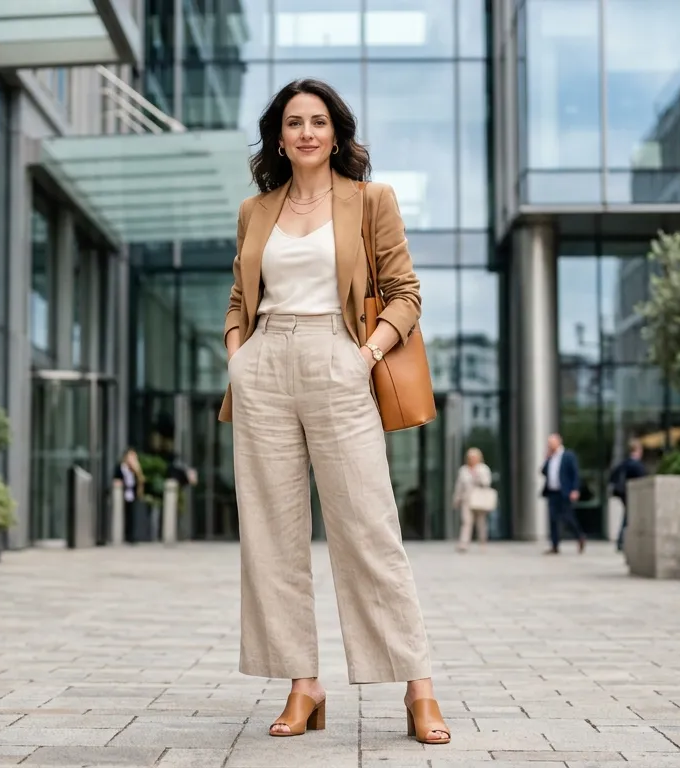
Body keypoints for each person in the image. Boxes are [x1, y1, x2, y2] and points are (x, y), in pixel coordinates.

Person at [218, 78, 449, 745]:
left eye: (319, 121)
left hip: (340, 359)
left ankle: (419, 688)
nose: (307, 133)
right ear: (279, 137)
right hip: (264, 367)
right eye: (294, 123)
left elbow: (405, 294)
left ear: (337, 133)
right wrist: (240, 354)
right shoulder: (255, 210)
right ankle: (303, 684)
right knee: (272, 538)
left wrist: (364, 355)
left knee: (369, 531)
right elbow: (239, 298)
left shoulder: (370, 201)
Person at [541, 433, 586, 554]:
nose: (549, 445)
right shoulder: (550, 458)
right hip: (552, 492)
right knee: (553, 519)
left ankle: (579, 536)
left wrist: (575, 489)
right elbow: (543, 472)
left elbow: (575, 473)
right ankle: (555, 545)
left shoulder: (568, 456)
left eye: (551, 443)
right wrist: (546, 458)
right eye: (548, 443)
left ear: (558, 442)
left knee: (568, 517)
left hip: (564, 492)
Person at [609, 439, 648, 551]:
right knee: (628, 517)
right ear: (638, 450)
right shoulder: (637, 465)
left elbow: (612, 477)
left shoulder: (623, 464)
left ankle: (621, 541)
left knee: (627, 516)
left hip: (623, 493)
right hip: (632, 494)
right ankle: (621, 541)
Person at [453, 447, 494, 553]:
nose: (472, 459)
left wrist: (477, 475)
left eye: (474, 457)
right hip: (466, 499)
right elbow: (459, 486)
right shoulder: (463, 470)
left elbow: (487, 483)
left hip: (479, 499)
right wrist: (456, 499)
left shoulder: (483, 469)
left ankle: (482, 542)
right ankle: (463, 544)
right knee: (466, 522)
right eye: (470, 457)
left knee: (481, 523)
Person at [115, 448, 146, 543]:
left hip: (131, 495)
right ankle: (121, 535)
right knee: (122, 515)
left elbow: (140, 481)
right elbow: (116, 479)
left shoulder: (135, 469)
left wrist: (137, 470)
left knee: (131, 516)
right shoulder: (120, 468)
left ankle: (131, 536)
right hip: (122, 494)